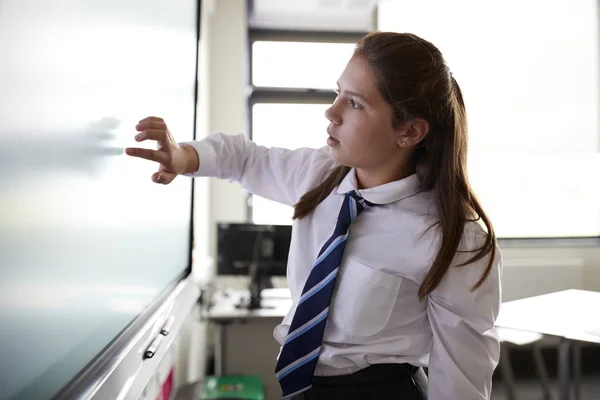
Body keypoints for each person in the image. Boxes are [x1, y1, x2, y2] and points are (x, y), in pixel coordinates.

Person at [126, 31, 502, 400]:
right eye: (337, 92)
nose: (331, 112)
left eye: (355, 103)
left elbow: (462, 372)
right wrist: (183, 157)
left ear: (409, 131)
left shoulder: (454, 236)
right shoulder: (319, 175)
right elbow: (245, 158)